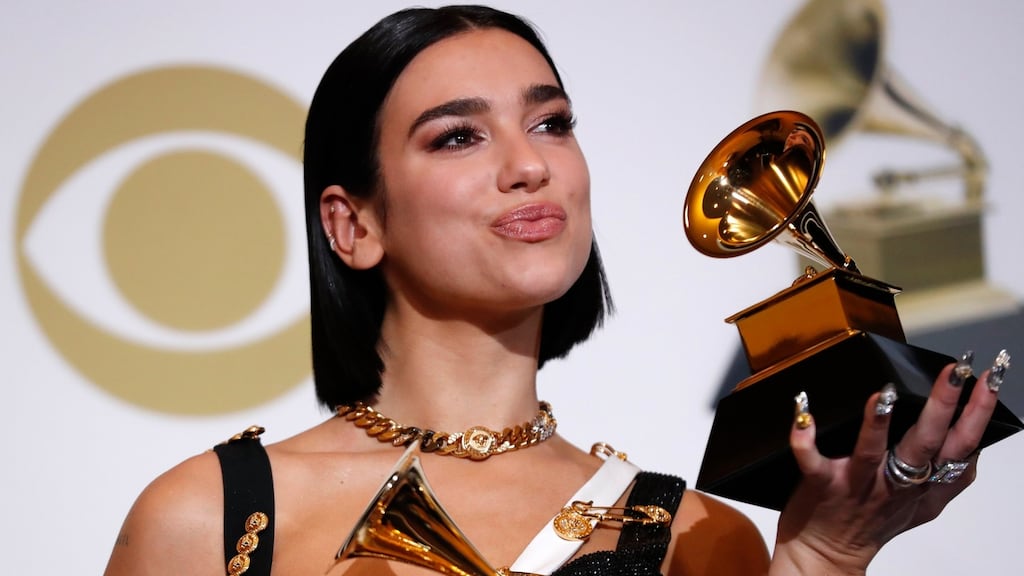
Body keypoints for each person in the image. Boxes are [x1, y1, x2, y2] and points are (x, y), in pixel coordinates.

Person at [102, 5, 1010, 576]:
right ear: (355, 225)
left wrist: (823, 559)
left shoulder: (702, 539)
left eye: (552, 122)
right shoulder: (206, 518)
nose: (530, 165)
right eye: (457, 136)